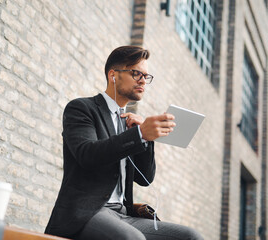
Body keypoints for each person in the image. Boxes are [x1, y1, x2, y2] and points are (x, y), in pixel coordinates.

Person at [45, 46, 203, 240]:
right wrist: (138, 135)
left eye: (146, 76)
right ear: (113, 75)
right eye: (136, 73)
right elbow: (87, 155)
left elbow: (145, 179)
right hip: (86, 213)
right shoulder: (81, 108)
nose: (143, 80)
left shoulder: (129, 122)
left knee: (191, 236)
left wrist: (145, 138)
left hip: (123, 215)